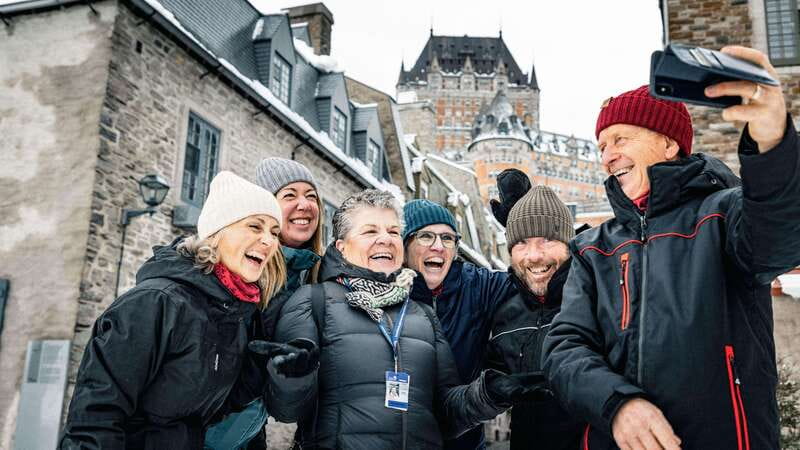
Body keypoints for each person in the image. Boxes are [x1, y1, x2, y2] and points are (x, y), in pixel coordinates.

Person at [542, 46, 800, 450]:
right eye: (602, 146)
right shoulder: (591, 248)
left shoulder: (724, 214)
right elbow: (564, 348)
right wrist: (618, 405)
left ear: (667, 144)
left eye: (620, 138)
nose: (607, 156)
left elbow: (780, 237)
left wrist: (773, 142)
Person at [262, 189, 519, 450]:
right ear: (341, 246)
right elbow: (286, 410)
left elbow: (446, 414)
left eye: (393, 231)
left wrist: (488, 394)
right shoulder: (312, 301)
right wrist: (293, 377)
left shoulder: (422, 314)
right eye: (371, 231)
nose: (385, 239)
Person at [60, 171, 301, 449]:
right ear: (217, 232)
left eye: (273, 232)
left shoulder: (230, 312)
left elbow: (210, 407)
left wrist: (262, 369)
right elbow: (96, 416)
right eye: (255, 227)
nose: (269, 241)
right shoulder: (155, 303)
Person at [205, 158, 326, 449]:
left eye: (312, 197)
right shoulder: (236, 272)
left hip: (250, 434)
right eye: (289, 195)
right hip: (208, 429)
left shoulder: (316, 276)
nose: (304, 205)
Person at [403, 199, 516, 450]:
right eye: (426, 236)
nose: (438, 246)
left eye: (447, 238)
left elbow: (533, 281)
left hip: (465, 443)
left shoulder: (478, 286)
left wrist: (524, 227)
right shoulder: (383, 293)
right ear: (404, 244)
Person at [485, 185, 585, 449]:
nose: (534, 255)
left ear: (568, 244)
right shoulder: (503, 312)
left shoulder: (596, 298)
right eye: (521, 242)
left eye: (547, 239)